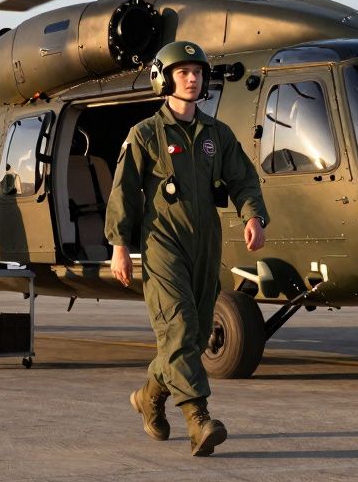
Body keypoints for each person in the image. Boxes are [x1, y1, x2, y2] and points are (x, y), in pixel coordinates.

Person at [105, 41, 269, 457]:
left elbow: (243, 179)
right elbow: (123, 192)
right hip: (162, 242)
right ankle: (199, 419)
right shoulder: (145, 134)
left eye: (197, 72)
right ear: (164, 79)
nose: (192, 78)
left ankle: (150, 395)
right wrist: (119, 245)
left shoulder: (217, 134)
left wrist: (252, 217)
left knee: (194, 336)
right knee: (178, 327)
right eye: (183, 72)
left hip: (206, 242)